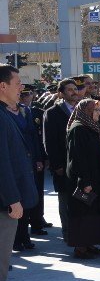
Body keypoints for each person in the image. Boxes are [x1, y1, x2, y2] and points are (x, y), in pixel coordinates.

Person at [0, 66, 38, 281]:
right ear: (2, 86)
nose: (21, 87)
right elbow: (2, 163)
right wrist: (12, 198)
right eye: (17, 83)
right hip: (4, 203)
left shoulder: (4, 114)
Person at [65, 99, 100, 260]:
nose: (99, 113)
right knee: (83, 214)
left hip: (96, 179)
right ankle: (81, 248)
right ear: (86, 112)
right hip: (85, 180)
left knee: (93, 213)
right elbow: (78, 158)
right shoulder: (78, 129)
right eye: (95, 111)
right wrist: (85, 182)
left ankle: (90, 244)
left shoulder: (92, 127)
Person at [43, 78, 79, 236]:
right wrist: (56, 165)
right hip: (63, 164)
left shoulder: (82, 109)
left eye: (75, 89)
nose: (74, 92)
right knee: (65, 199)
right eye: (70, 89)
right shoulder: (52, 113)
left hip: (79, 163)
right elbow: (49, 141)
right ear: (61, 93)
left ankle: (82, 230)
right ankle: (68, 231)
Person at [10, 88, 44, 251]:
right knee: (16, 201)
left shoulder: (26, 111)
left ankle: (25, 236)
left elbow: (34, 136)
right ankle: (16, 240)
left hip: (29, 160)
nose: (21, 96)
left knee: (27, 200)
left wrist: (38, 158)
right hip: (15, 162)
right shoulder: (4, 113)